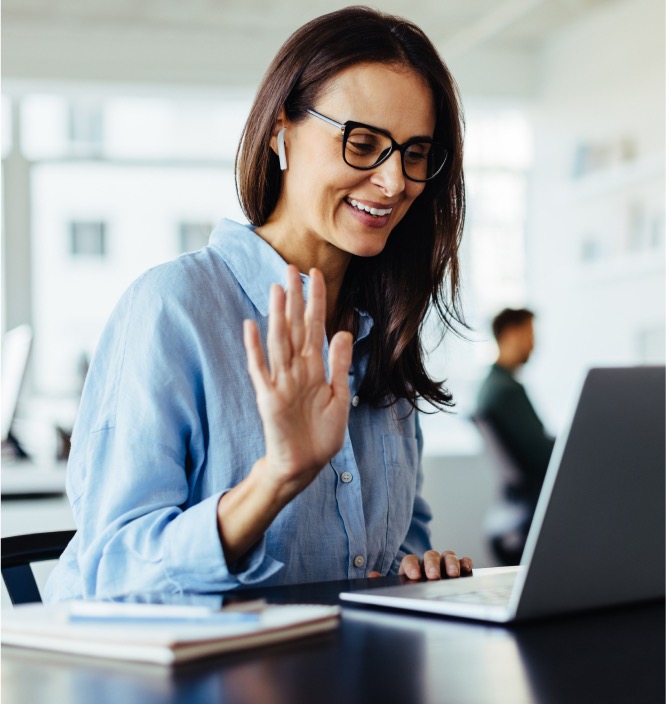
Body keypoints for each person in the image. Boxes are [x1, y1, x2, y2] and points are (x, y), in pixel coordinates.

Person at [45, 6, 473, 601]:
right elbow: (111, 572)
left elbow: (398, 541)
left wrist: (415, 567)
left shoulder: (386, 331)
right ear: (281, 132)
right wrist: (274, 479)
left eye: (415, 153)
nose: (395, 181)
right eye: (363, 142)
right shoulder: (174, 308)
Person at [475, 308, 555, 564]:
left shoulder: (490, 386)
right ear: (510, 334)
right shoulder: (506, 391)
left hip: (514, 502)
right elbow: (541, 455)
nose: (534, 344)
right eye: (529, 335)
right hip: (533, 505)